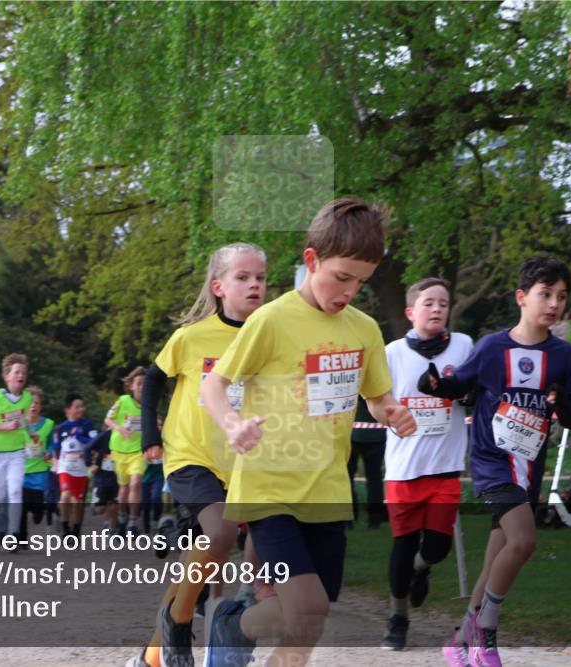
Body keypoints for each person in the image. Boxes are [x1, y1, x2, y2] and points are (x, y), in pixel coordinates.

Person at [200, 198, 417, 666]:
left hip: (327, 490)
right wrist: (233, 423)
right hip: (269, 491)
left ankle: (237, 620)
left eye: (361, 281)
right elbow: (214, 386)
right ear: (312, 260)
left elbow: (377, 398)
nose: (350, 291)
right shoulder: (271, 320)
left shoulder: (363, 329)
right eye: (342, 277)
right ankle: (236, 622)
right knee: (307, 606)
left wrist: (392, 412)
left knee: (308, 620)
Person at [418, 256, 571, 667]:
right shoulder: (493, 347)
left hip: (529, 466)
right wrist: (435, 384)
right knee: (524, 541)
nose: (553, 304)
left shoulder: (565, 357)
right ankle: (485, 633)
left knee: (497, 556)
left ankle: (459, 639)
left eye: (561, 297)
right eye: (545, 294)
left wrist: (560, 401)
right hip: (493, 463)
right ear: (521, 297)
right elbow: (458, 384)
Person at [131, 242, 267, 667]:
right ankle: (181, 620)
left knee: (204, 554)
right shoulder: (191, 337)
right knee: (222, 535)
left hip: (241, 460)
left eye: (261, 278)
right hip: (190, 455)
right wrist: (149, 432)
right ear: (219, 286)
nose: (254, 285)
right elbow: (153, 381)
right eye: (242, 278)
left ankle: (152, 655)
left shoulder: (270, 334)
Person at [380, 278, 474, 651]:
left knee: (437, 546)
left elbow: (476, 387)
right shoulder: (391, 352)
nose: (437, 309)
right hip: (404, 466)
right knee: (402, 545)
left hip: (445, 465)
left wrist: (456, 390)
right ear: (410, 312)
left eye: (443, 303)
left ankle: (423, 569)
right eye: (428, 303)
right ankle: (397, 616)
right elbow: (376, 398)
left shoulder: (464, 346)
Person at [0, 353, 34, 541]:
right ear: (7, 376)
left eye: (24, 373)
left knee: (15, 491)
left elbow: (24, 420)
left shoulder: (27, 398)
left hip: (17, 452)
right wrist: (5, 427)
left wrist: (30, 431)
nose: (21, 376)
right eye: (17, 372)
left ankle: (13, 534)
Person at [105, 366, 147, 536]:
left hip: (138, 451)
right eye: (139, 383)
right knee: (123, 489)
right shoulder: (122, 401)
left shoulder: (149, 405)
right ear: (132, 386)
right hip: (119, 450)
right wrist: (120, 428)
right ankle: (122, 519)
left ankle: (132, 522)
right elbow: (108, 419)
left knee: (135, 483)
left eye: (145, 383)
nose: (142, 387)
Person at [53, 393, 97, 537]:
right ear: (68, 409)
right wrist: (55, 461)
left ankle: (76, 530)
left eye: (82, 406)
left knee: (77, 502)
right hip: (65, 467)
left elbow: (94, 441)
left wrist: (80, 437)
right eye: (77, 406)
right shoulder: (62, 428)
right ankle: (66, 529)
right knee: (65, 496)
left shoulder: (87, 425)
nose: (81, 409)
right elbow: (57, 447)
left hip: (81, 468)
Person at [18, 386, 54, 542]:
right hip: (22, 470)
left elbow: (52, 444)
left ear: (40, 406)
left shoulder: (48, 424)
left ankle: (41, 512)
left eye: (37, 403)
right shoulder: (18, 424)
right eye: (31, 403)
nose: (33, 406)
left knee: (37, 510)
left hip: (40, 471)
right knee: (22, 506)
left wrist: (50, 452)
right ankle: (22, 538)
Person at [348, 398, 386, 528]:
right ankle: (375, 519)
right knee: (375, 478)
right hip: (377, 433)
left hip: (352, 434)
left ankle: (350, 518)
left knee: (348, 477)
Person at [86, 429, 119, 532]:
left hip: (117, 475)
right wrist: (90, 465)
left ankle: (112, 528)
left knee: (113, 503)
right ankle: (106, 517)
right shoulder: (104, 435)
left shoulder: (128, 435)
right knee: (100, 509)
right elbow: (87, 448)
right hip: (102, 475)